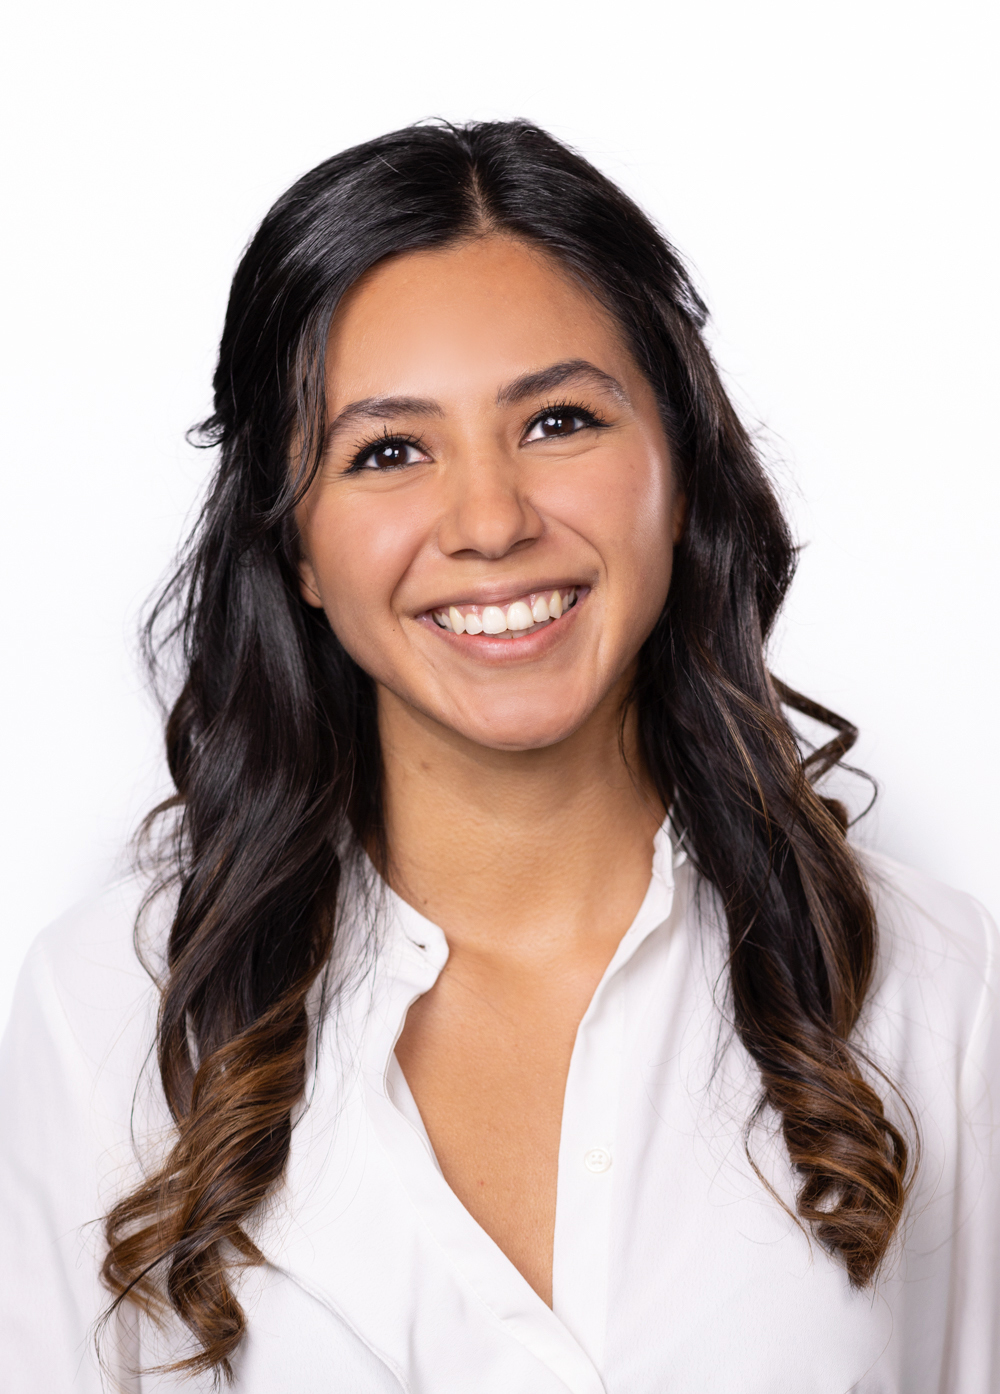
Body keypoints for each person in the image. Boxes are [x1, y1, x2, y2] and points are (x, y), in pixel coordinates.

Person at [0, 119, 996, 1394]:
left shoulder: (934, 989)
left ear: (681, 469)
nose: (488, 521)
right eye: (388, 451)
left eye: (559, 421)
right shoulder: (109, 1011)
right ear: (296, 547)